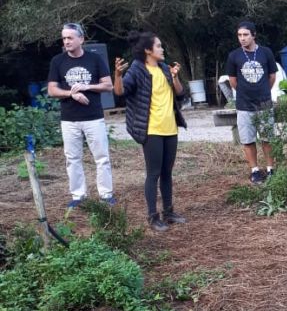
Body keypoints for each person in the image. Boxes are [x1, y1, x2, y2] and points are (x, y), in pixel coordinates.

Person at [113, 31, 187, 232]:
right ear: (148, 50)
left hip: (170, 128)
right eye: (159, 46)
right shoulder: (137, 69)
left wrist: (175, 77)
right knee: (153, 173)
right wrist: (118, 75)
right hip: (151, 129)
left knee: (167, 173)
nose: (162, 49)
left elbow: (180, 94)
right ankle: (153, 217)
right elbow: (120, 92)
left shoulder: (164, 68)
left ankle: (169, 212)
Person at [46, 22, 115, 208]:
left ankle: (106, 195)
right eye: (64, 38)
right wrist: (71, 94)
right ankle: (78, 196)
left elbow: (108, 85)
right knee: (72, 159)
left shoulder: (95, 59)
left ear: (81, 39)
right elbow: (52, 90)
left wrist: (87, 86)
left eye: (70, 37)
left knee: (102, 157)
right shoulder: (57, 61)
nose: (66, 41)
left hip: (94, 117)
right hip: (69, 119)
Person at [225, 21, 277, 185]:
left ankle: (270, 169)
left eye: (245, 35)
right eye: (239, 35)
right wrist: (246, 93)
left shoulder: (266, 52)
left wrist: (263, 91)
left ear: (253, 35)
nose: (242, 38)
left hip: (264, 103)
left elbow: (272, 77)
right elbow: (233, 81)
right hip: (244, 105)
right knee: (248, 140)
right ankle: (255, 170)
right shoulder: (234, 56)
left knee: (267, 138)